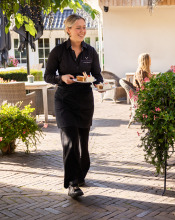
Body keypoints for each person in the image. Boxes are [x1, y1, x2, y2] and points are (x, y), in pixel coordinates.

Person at [44, 14, 103, 198]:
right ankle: (72, 184)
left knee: (83, 147)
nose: (82, 31)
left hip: (84, 103)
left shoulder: (91, 52)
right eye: (78, 27)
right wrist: (60, 78)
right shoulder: (58, 51)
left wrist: (99, 85)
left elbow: (97, 76)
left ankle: (80, 175)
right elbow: (47, 76)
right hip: (64, 102)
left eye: (84, 27)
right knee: (70, 142)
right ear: (68, 30)